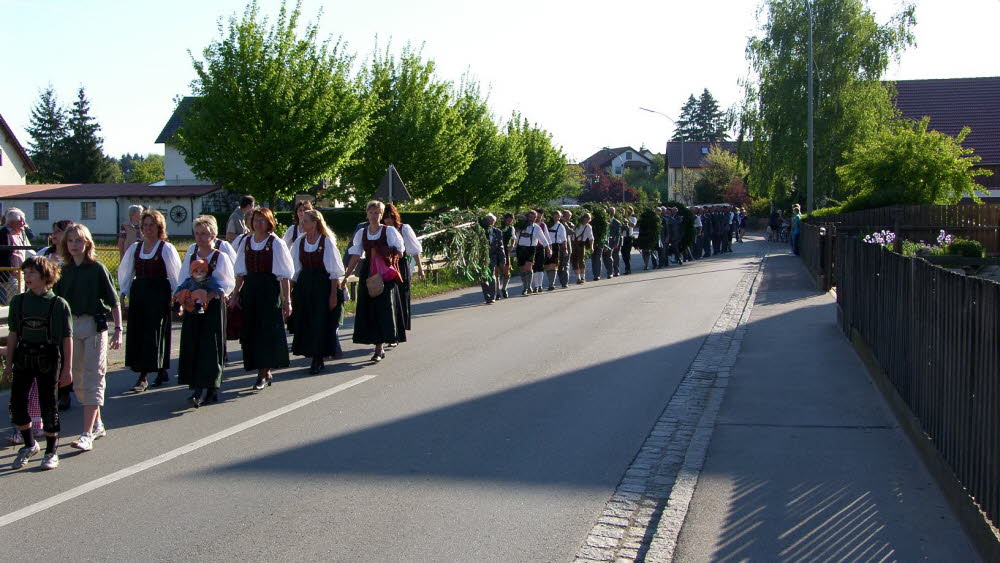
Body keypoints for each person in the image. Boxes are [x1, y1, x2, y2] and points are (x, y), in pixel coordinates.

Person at [53, 224, 123, 451]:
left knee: (94, 376)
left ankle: (86, 433)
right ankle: (98, 423)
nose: (74, 245)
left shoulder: (97, 268)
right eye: (70, 240)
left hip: (94, 326)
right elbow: (56, 304)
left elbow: (114, 302)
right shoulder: (62, 270)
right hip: (71, 329)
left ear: (87, 243)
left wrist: (118, 330)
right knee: (78, 379)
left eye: (78, 241)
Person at [6, 257, 72, 470]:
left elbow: (66, 339)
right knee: (17, 405)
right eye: (25, 273)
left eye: (32, 273)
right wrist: (8, 365)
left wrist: (67, 370)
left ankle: (51, 450)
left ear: (46, 276)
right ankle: (29, 444)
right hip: (24, 356)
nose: (27, 277)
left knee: (48, 405)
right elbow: (13, 334)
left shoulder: (59, 304)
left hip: (49, 356)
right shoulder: (19, 301)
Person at [118, 210, 181, 392]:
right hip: (139, 294)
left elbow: (175, 274)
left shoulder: (166, 248)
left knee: (155, 333)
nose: (148, 229)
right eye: (145, 225)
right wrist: (123, 292)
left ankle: (144, 376)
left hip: (158, 294)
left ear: (159, 227)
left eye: (152, 225)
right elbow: (126, 272)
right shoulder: (135, 248)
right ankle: (157, 371)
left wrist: (177, 297)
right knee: (140, 333)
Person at [232, 208, 294, 389]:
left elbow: (284, 275)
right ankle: (261, 369)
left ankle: (263, 372)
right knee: (252, 332)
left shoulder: (275, 243)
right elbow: (240, 272)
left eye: (262, 220)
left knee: (266, 332)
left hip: (268, 291)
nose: (258, 224)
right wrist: (235, 294)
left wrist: (287, 300)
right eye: (256, 220)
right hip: (250, 291)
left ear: (269, 222)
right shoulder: (246, 242)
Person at [177, 216, 236, 406]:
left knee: (211, 345)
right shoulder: (191, 254)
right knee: (193, 342)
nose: (200, 237)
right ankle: (196, 386)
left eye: (204, 233)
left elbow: (227, 283)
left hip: (212, 306)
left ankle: (211, 386)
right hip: (193, 306)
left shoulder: (220, 256)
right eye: (197, 233)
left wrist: (207, 296)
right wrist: (186, 297)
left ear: (213, 235)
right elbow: (183, 278)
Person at [343, 201, 407, 361]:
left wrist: (386, 258)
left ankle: (379, 348)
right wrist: (345, 277)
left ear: (381, 214)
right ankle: (376, 345)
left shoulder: (389, 231)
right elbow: (356, 256)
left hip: (384, 274)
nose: (374, 215)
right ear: (367, 214)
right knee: (369, 309)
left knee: (383, 309)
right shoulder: (362, 233)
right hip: (368, 274)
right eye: (371, 212)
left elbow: (400, 251)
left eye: (377, 212)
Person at [291, 209, 345, 374]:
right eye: (302, 221)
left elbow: (334, 271)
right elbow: (294, 269)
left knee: (320, 321)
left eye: (305, 221)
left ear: (315, 223)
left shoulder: (326, 242)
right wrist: (291, 292)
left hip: (322, 286)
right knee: (307, 321)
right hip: (305, 286)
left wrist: (333, 295)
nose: (302, 223)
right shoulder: (300, 242)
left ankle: (318, 357)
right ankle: (313, 354)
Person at [382, 203, 423, 332]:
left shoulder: (403, 229)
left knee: (402, 295)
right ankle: (390, 326)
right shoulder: (381, 230)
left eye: (390, 217)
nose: (388, 220)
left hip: (400, 266)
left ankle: (401, 325)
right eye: (386, 217)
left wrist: (420, 269)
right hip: (386, 266)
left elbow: (414, 250)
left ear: (395, 217)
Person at [0, 207, 31, 305]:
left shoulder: (20, 233)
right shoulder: (4, 233)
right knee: (15, 298)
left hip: (20, 271)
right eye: (20, 220)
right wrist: (9, 269)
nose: (23, 223)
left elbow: (31, 238)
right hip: (9, 273)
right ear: (11, 223)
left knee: (20, 295)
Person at [515, 210, 550, 295]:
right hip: (520, 248)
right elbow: (514, 235)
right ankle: (525, 285)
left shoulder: (536, 227)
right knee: (522, 268)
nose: (532, 219)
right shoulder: (520, 226)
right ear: (527, 217)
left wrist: (548, 249)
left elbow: (543, 239)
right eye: (531, 217)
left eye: (534, 217)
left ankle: (528, 286)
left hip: (531, 248)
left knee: (529, 267)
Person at [481, 213, 505, 303]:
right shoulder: (481, 231)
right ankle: (486, 296)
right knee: (483, 277)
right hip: (482, 256)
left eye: (492, 221)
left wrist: (503, 258)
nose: (490, 222)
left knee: (491, 275)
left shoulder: (498, 232)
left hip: (493, 256)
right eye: (489, 220)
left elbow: (501, 246)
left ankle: (492, 296)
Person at [544, 210, 568, 291]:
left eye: (557, 216)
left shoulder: (560, 226)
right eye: (554, 216)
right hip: (547, 246)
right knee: (547, 265)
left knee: (554, 264)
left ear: (559, 217)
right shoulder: (548, 225)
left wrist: (565, 249)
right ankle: (551, 282)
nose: (555, 218)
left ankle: (552, 284)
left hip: (556, 246)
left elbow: (564, 239)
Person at [571, 213, 594, 284]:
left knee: (581, 260)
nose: (587, 220)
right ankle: (578, 278)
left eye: (589, 219)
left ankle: (582, 277)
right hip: (573, 244)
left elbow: (591, 238)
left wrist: (591, 247)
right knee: (574, 261)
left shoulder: (588, 227)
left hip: (581, 244)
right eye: (586, 218)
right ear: (583, 218)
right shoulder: (577, 224)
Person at [498, 213, 516, 299]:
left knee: (506, 270)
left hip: (505, 249)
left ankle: (504, 288)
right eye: (508, 219)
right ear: (504, 219)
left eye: (511, 219)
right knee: (496, 270)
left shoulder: (511, 228)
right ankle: (497, 291)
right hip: (497, 249)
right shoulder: (499, 227)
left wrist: (511, 246)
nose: (509, 220)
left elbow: (513, 238)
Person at [558, 211, 575, 287]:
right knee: (559, 266)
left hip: (567, 247)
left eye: (569, 217)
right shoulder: (558, 224)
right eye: (567, 216)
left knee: (566, 265)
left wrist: (566, 224)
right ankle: (561, 280)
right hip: (558, 247)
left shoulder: (569, 224)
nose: (568, 218)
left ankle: (565, 283)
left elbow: (571, 232)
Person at [607, 207, 623, 277]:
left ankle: (616, 271)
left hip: (615, 241)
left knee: (615, 256)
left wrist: (616, 243)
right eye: (610, 211)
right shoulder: (605, 221)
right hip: (607, 241)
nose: (611, 213)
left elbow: (618, 234)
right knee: (608, 256)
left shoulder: (617, 222)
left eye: (613, 211)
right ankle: (610, 272)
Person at [622, 206, 637, 274]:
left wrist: (627, 219)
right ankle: (627, 267)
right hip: (624, 237)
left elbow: (633, 225)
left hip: (629, 237)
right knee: (623, 253)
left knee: (627, 253)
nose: (628, 212)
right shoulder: (623, 218)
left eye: (630, 211)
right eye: (627, 211)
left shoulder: (633, 218)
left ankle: (628, 269)